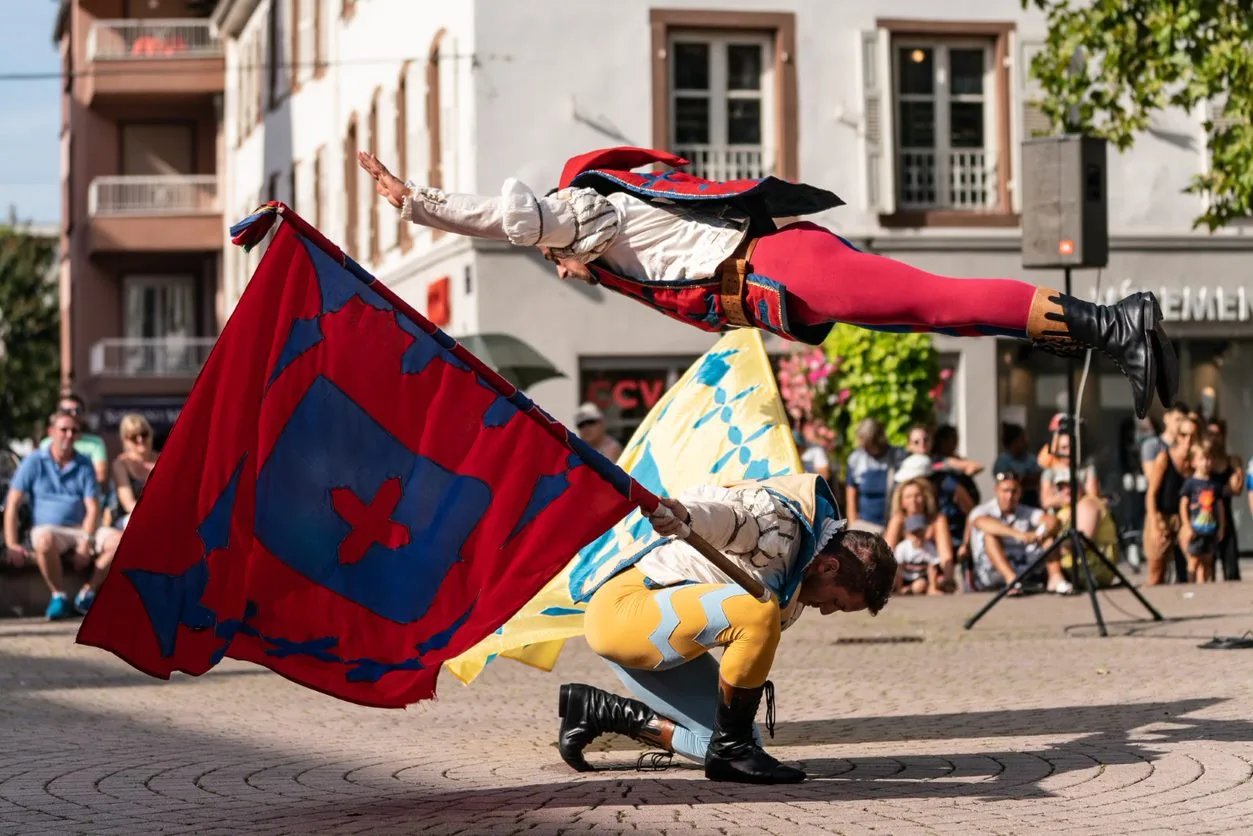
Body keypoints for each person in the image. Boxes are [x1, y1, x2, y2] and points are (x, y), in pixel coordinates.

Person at [357, 147, 1177, 420]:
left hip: (783, 268)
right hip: (781, 280)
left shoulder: (588, 206)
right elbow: (597, 248)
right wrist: (583, 268)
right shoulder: (613, 235)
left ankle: (1116, 325)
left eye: (556, 239)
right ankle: (1115, 332)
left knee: (939, 301)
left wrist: (421, 206)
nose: (550, 248)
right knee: (949, 320)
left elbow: (521, 214)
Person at [557, 473, 897, 784]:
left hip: (669, 642)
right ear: (829, 566)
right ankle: (732, 752)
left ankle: (600, 711)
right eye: (836, 602)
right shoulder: (780, 525)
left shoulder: (801, 575)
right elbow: (733, 521)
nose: (826, 612)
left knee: (727, 741)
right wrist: (687, 516)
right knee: (758, 609)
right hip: (625, 613)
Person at [3, 411, 121, 619]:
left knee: (121, 540)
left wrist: (87, 540)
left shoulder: (85, 463)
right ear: (51, 433)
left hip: (82, 528)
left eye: (73, 430)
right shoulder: (34, 462)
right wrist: (12, 544)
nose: (68, 435)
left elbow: (92, 507)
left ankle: (88, 592)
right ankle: (58, 595)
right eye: (63, 429)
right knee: (45, 540)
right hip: (49, 529)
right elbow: (12, 503)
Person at [968, 471, 1073, 595]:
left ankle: (1056, 579)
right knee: (989, 537)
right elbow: (980, 522)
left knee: (1049, 539)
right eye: (1005, 491)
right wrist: (1018, 534)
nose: (1010, 496)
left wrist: (1042, 533)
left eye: (1014, 491)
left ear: (1020, 492)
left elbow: (1052, 521)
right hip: (991, 572)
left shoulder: (1026, 511)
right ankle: (1011, 581)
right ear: (996, 490)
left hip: (1025, 566)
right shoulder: (982, 510)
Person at [1144, 412, 1196, 585]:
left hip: (1184, 519)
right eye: (1183, 435)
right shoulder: (1165, 457)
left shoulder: (1196, 462)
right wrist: (1154, 523)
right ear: (1177, 436)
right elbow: (1151, 493)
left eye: (1192, 435)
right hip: (1162, 516)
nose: (1188, 440)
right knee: (1157, 573)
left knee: (1192, 568)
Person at [884, 474, 955, 595]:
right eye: (908, 497)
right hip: (902, 574)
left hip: (929, 573)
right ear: (901, 501)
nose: (914, 500)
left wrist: (948, 580)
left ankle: (928, 587)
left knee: (942, 580)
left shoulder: (937, 520)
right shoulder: (898, 520)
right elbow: (886, 552)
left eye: (918, 496)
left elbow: (945, 555)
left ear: (926, 498)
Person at [845, 418, 906, 533]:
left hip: (892, 524)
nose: (865, 448)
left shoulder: (897, 456)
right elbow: (851, 497)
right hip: (864, 525)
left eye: (869, 444)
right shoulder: (856, 459)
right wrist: (853, 525)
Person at [1179, 438, 1225, 584]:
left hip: (1210, 528)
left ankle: (1208, 586)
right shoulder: (1190, 483)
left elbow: (1219, 506)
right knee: (1193, 559)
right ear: (1193, 462)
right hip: (1195, 529)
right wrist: (1186, 525)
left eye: (1208, 459)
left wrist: (1222, 526)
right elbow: (1183, 504)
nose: (1206, 463)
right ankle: (1192, 585)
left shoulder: (1215, 484)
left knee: (1209, 560)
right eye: (1202, 459)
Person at [38, 393, 109, 488]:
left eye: (77, 410)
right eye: (66, 411)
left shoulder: (95, 443)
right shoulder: (46, 444)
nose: (73, 414)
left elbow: (101, 478)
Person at [1203, 418, 1242, 582]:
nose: (1214, 438)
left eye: (1217, 434)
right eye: (1210, 434)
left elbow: (1236, 490)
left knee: (1231, 563)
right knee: (1206, 566)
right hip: (1205, 515)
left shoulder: (1232, 461)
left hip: (1225, 515)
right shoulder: (1202, 462)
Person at [110, 413, 158, 531]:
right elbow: (128, 504)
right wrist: (154, 514)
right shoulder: (121, 464)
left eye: (144, 434)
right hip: (129, 517)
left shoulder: (164, 460)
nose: (140, 439)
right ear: (125, 440)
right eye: (133, 436)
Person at [993, 423, 1043, 508]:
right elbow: (1006, 480)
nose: (1026, 442)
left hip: (1031, 500)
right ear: (1014, 442)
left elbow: (1038, 477)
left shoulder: (1029, 458)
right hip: (1011, 501)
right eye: (1022, 439)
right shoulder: (1003, 460)